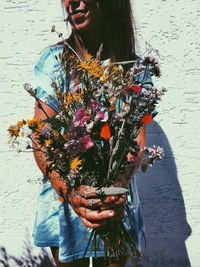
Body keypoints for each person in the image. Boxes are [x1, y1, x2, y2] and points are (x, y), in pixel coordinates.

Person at [32, 0, 153, 266]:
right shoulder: (56, 61)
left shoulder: (135, 68)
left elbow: (137, 139)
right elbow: (41, 137)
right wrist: (72, 192)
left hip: (115, 205)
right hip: (64, 200)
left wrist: (115, 188)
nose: (70, 2)